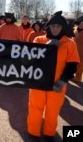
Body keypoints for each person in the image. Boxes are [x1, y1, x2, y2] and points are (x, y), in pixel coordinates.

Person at [27, 11, 80, 141]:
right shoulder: (39, 40)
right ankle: (33, 132)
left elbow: (72, 65)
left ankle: (49, 133)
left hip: (57, 83)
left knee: (53, 110)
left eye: (58, 26)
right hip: (38, 81)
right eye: (53, 26)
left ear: (63, 27)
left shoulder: (69, 43)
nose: (55, 29)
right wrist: (46, 48)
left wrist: (62, 81)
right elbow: (30, 59)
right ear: (48, 27)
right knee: (35, 108)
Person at [72, 17, 83, 82]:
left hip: (81, 51)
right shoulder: (75, 29)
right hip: (73, 50)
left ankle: (78, 78)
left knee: (80, 66)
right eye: (80, 23)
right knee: (73, 64)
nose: (81, 25)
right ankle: (73, 75)